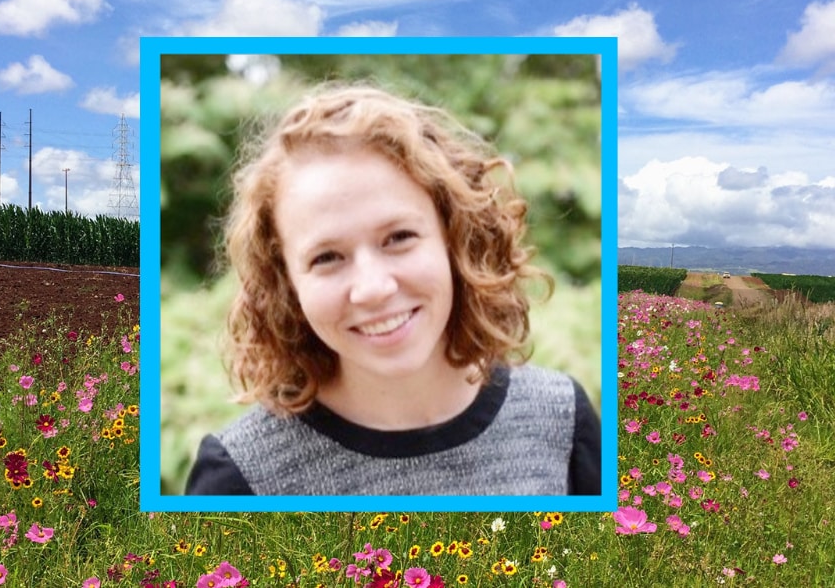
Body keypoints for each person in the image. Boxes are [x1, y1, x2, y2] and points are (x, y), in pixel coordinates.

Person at [184, 83, 600, 495]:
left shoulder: (561, 421)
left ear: (456, 237)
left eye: (398, 237)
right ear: (285, 283)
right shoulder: (239, 479)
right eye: (326, 257)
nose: (373, 289)